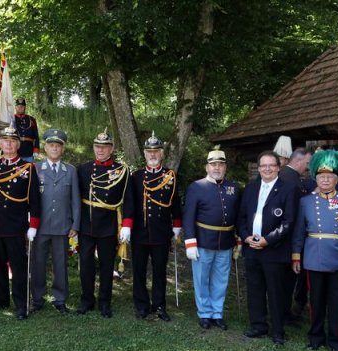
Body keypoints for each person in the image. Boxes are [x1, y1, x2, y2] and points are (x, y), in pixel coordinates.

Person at [292, 150, 338, 351]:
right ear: (315, 178)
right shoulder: (305, 202)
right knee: (315, 300)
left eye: (329, 177)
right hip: (313, 257)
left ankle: (336, 340)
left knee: (336, 302)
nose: (325, 180)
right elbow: (298, 231)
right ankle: (315, 337)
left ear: (337, 179)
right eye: (321, 176)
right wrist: (296, 255)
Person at [237, 151, 298, 345]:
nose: (267, 169)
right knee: (255, 289)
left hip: (274, 250)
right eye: (263, 166)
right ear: (259, 168)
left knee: (276, 292)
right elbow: (241, 217)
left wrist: (268, 240)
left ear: (278, 167)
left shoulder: (289, 189)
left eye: (271, 165)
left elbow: (289, 222)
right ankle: (258, 326)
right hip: (251, 248)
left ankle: (278, 331)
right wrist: (246, 236)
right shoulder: (250, 188)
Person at [122, 132, 182, 321]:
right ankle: (141, 305)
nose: (153, 155)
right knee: (138, 270)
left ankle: (159, 305)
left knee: (159, 271)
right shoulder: (136, 176)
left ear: (161, 154)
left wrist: (177, 225)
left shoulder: (170, 176)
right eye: (149, 152)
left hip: (161, 232)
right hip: (140, 232)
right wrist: (126, 225)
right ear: (145, 154)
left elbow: (176, 203)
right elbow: (130, 203)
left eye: (156, 151)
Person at [0, 124, 41, 320]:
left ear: (18, 144)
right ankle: (0, 299)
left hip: (16, 226)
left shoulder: (27, 168)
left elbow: (35, 199)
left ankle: (21, 303)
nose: (8, 144)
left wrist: (33, 224)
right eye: (5, 140)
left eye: (12, 141)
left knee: (18, 267)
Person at [76, 128, 132, 318]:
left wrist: (127, 224)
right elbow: (75, 198)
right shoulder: (83, 169)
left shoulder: (121, 171)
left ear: (111, 149)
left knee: (107, 266)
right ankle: (87, 300)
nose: (100, 150)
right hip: (86, 223)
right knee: (86, 264)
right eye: (97, 146)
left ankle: (105, 302)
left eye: (104, 147)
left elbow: (129, 200)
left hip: (108, 225)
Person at [183, 145, 240, 330]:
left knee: (221, 279)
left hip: (225, 242)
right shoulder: (196, 187)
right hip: (203, 241)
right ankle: (204, 313)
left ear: (225, 167)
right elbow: (188, 216)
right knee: (201, 278)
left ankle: (217, 313)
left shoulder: (232, 187)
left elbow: (237, 215)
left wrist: (237, 239)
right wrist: (190, 242)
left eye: (220, 165)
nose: (217, 168)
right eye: (213, 165)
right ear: (207, 167)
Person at [30, 129, 80, 314]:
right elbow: (31, 199)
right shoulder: (36, 169)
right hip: (41, 226)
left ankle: (60, 299)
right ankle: (37, 298)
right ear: (45, 148)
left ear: (62, 149)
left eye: (58, 146)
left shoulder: (71, 171)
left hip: (62, 226)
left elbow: (75, 200)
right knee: (38, 263)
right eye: (51, 145)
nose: (54, 148)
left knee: (60, 265)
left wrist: (75, 225)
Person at [278, 147, 312, 322]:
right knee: (285, 280)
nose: (308, 167)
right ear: (298, 161)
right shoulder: (288, 179)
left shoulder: (292, 177)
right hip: (287, 238)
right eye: (307, 163)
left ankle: (285, 312)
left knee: (290, 279)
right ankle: (282, 313)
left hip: (291, 237)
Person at [14, 97, 39, 162]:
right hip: (15, 150)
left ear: (25, 107)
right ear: (15, 107)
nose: (20, 107)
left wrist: (36, 149)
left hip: (29, 151)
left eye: (22, 106)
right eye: (18, 106)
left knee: (29, 171)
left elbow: (36, 135)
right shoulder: (11, 119)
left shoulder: (31, 119)